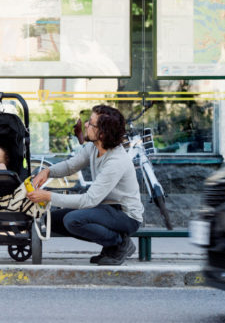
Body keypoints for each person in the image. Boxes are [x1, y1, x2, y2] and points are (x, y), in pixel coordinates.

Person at [27, 105, 144, 265]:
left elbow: (88, 201)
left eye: (91, 123)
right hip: (105, 208)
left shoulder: (116, 161)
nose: (86, 125)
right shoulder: (93, 147)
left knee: (73, 220)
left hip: (125, 215)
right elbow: (70, 166)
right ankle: (110, 246)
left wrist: (48, 196)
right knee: (50, 220)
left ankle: (119, 243)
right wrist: (47, 172)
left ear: (102, 133)